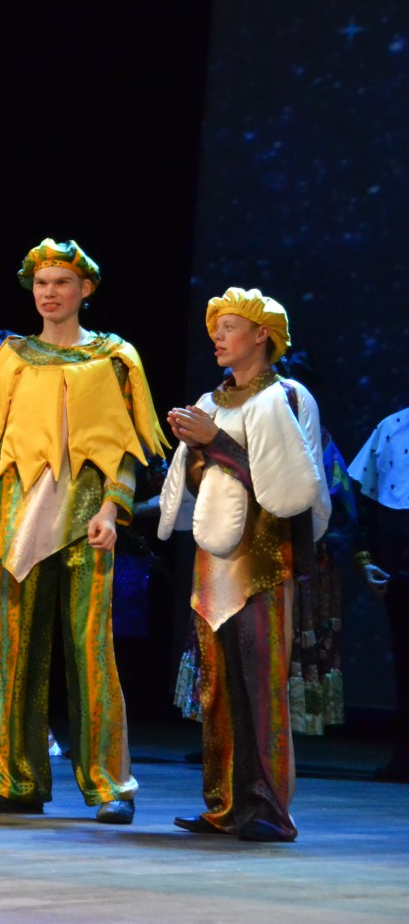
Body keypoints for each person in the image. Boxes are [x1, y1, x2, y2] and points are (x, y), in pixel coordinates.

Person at [0, 238, 167, 824]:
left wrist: (114, 508)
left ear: (85, 290)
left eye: (62, 284)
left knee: (90, 651)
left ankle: (110, 785)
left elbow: (127, 447)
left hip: (85, 518)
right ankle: (16, 780)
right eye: (42, 284)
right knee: (16, 651)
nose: (50, 294)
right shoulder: (12, 357)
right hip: (17, 516)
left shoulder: (114, 357)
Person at [157, 288, 328, 842]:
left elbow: (291, 487)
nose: (217, 336)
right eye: (216, 327)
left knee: (260, 688)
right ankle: (225, 805)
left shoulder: (290, 396)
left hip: (263, 563)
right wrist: (193, 449)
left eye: (230, 326)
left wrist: (216, 443)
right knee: (217, 691)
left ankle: (271, 810)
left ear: (261, 336)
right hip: (214, 565)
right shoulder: (211, 401)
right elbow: (202, 486)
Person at [349, 408, 409, 781]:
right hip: (399, 570)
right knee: (405, 663)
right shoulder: (392, 427)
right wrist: (366, 558)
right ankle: (405, 758)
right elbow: (367, 506)